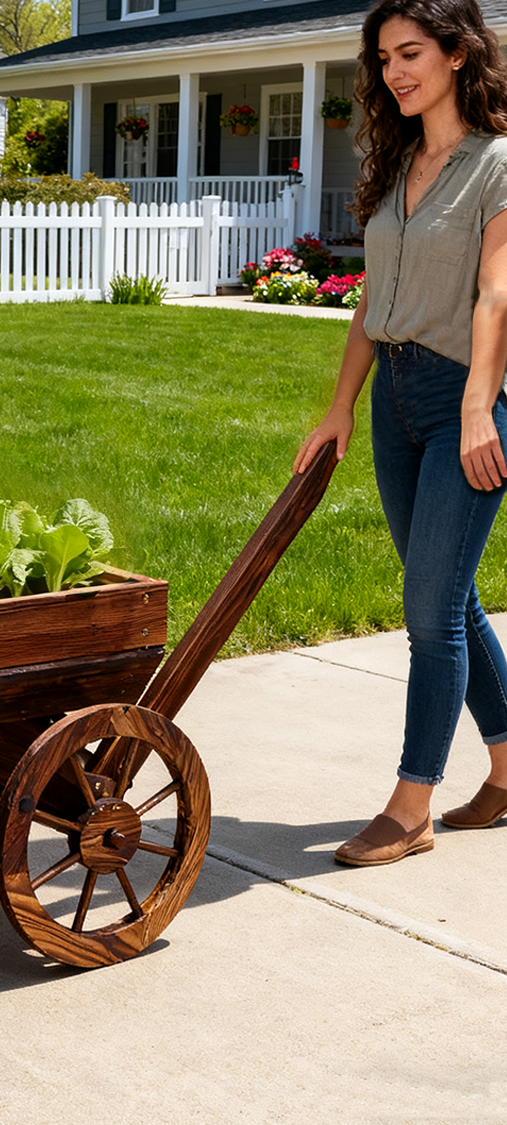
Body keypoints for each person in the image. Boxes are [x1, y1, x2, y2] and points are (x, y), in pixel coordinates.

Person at [295, 0, 507, 866]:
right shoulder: (394, 167)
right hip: (393, 401)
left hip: (466, 397)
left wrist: (473, 410)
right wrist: (341, 404)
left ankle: (409, 803)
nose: (394, 71)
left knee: (428, 614)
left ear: (458, 56)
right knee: (445, 597)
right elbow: (366, 306)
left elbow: (496, 294)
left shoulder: (495, 164)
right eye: (383, 57)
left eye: (410, 52)